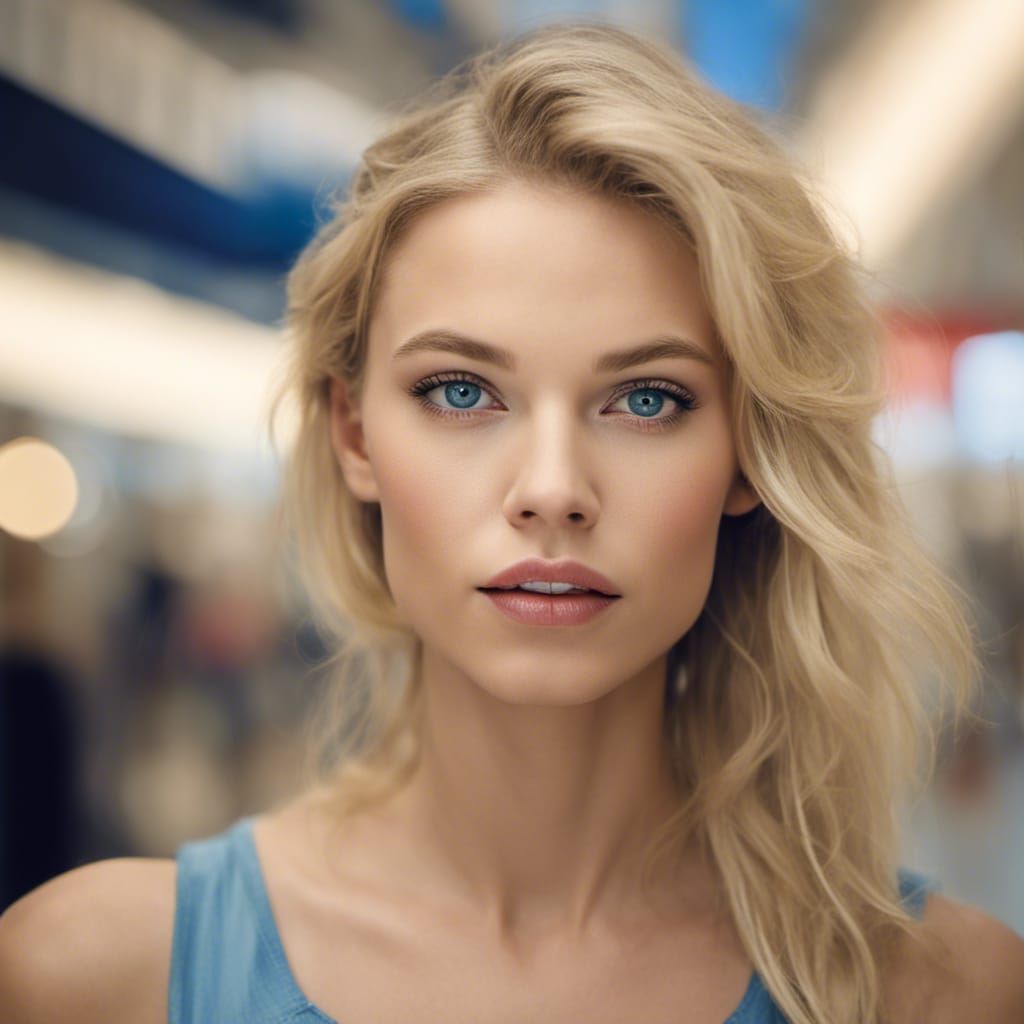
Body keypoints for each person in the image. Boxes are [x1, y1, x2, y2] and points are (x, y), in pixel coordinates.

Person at [2, 22, 1023, 1024]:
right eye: (459, 392)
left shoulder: (945, 991)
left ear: (748, 453)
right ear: (353, 431)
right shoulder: (95, 976)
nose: (550, 488)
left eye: (646, 399)